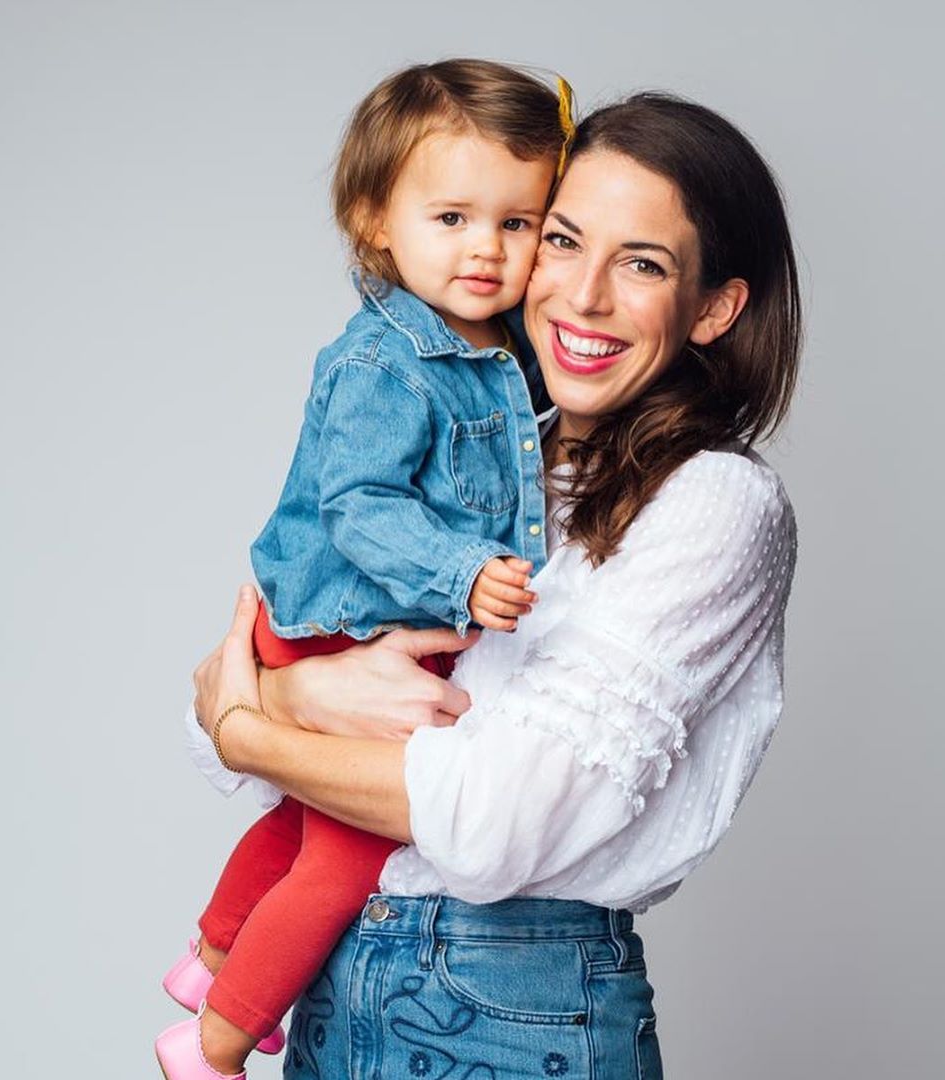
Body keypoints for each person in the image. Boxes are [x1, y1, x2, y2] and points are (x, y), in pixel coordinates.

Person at [190, 91, 801, 1079]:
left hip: (513, 1003)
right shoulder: (482, 449)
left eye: (642, 263)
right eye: (560, 240)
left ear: (716, 307)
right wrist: (296, 695)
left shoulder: (715, 503)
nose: (583, 294)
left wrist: (256, 727)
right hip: (338, 978)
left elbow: (492, 823)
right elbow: (235, 670)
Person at [155, 59, 575, 1080]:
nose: (487, 247)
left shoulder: (500, 345)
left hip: (356, 623)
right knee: (348, 859)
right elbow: (360, 505)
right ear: (374, 219)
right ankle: (209, 1047)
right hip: (331, 619)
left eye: (519, 224)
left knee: (311, 818)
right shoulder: (384, 361)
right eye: (454, 217)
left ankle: (211, 959)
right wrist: (466, 571)